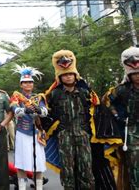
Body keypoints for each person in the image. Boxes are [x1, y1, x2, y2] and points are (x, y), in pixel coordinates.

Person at [43, 50, 96, 190]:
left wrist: (88, 130)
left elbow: (96, 111)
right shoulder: (54, 94)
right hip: (64, 136)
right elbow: (47, 114)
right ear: (60, 77)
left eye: (70, 74)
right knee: (67, 170)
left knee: (86, 168)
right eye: (64, 75)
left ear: (75, 75)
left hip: (83, 135)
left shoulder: (85, 93)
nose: (68, 77)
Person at [103, 46, 139, 189]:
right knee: (134, 165)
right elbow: (106, 101)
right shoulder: (122, 89)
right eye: (134, 74)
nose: (137, 76)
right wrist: (117, 115)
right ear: (129, 74)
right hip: (131, 132)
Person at [10, 65, 47, 190]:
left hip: (36, 132)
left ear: (33, 84)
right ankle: (22, 188)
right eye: (25, 82)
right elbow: (15, 110)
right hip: (22, 132)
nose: (28, 84)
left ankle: (39, 187)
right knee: (21, 163)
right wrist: (24, 110)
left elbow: (45, 112)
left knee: (39, 163)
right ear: (21, 84)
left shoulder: (39, 97)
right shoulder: (16, 96)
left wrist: (39, 109)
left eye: (30, 82)